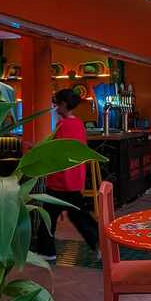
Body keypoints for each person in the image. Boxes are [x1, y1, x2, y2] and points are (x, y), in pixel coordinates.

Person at [36, 89, 100, 260]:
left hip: (60, 181)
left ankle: (47, 251)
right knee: (80, 217)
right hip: (75, 180)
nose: (55, 107)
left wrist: (37, 152)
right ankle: (99, 242)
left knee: (48, 217)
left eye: (57, 103)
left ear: (64, 104)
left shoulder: (63, 125)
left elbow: (58, 152)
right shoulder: (78, 124)